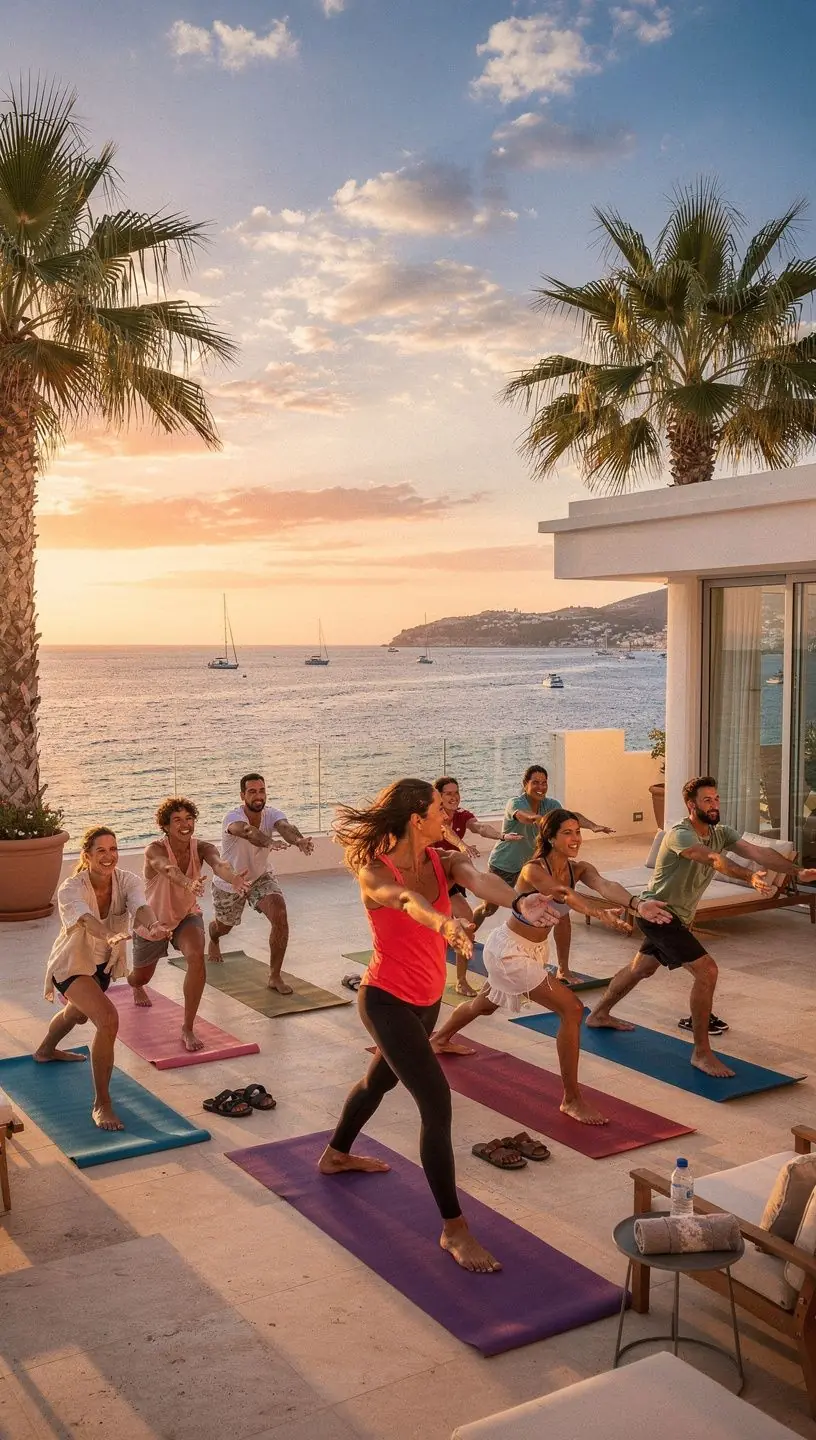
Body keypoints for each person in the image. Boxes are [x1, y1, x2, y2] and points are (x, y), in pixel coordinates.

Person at [318, 778, 559, 1273]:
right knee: (436, 1103)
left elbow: (480, 880)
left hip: (426, 1003)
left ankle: (336, 1154)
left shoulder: (443, 859)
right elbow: (408, 901)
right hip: (384, 1000)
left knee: (378, 1082)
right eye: (437, 809)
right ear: (416, 819)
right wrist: (444, 924)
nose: (446, 816)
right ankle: (454, 1228)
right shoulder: (374, 872)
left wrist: (518, 902)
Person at [432, 808, 670, 1123]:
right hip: (509, 951)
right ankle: (571, 1100)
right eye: (567, 833)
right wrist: (598, 913)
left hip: (533, 950)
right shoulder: (533, 870)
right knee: (572, 1010)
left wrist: (637, 904)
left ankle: (439, 1039)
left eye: (577, 832)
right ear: (550, 838)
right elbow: (563, 893)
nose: (576, 838)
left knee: (485, 1004)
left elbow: (605, 884)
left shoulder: (579, 868)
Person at [587, 776, 816, 1077]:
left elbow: (759, 853)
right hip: (659, 913)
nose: (714, 805)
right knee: (707, 971)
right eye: (707, 800)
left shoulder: (721, 833)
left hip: (678, 917)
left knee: (640, 968)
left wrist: (797, 871)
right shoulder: (680, 834)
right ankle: (701, 1053)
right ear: (691, 805)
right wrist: (749, 877)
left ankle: (599, 1014)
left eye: (716, 799)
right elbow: (711, 859)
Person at [36, 825, 170, 1131]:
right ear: (87, 856)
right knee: (107, 1020)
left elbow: (141, 907)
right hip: (71, 965)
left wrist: (154, 925)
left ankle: (45, 1051)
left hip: (103, 967)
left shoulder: (127, 880)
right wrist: (109, 935)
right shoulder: (71, 888)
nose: (109, 856)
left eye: (113, 849)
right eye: (101, 851)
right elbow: (85, 920)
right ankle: (102, 1103)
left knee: (76, 1014)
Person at [472, 764, 614, 987]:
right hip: (506, 865)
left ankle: (564, 970)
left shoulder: (552, 805)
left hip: (537, 869)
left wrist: (592, 826)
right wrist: (543, 821)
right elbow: (525, 817)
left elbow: (571, 817)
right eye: (535, 782)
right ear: (525, 784)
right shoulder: (515, 803)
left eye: (544, 782)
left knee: (562, 914)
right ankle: (466, 935)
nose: (540, 786)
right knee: (488, 909)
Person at [127, 797, 251, 1052]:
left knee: (196, 957)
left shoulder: (202, 847)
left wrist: (234, 878)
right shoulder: (154, 850)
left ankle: (187, 1027)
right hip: (152, 921)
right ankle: (136, 986)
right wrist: (188, 883)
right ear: (165, 826)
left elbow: (219, 864)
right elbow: (167, 869)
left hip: (186, 915)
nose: (185, 825)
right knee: (140, 976)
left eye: (189, 819)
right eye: (177, 820)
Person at [208, 773, 314, 994]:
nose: (258, 796)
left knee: (280, 914)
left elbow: (285, 827)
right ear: (242, 795)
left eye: (262, 791)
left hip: (259, 877)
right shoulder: (232, 818)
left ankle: (274, 976)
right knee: (223, 927)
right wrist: (269, 842)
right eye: (252, 792)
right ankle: (214, 937)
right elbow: (248, 832)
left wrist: (298, 840)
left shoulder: (272, 813)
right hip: (231, 880)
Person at [433, 775, 522, 997]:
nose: (454, 797)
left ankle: (461, 981)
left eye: (456, 792)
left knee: (466, 923)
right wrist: (462, 845)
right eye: (448, 793)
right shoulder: (433, 815)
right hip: (426, 877)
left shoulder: (462, 815)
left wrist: (501, 835)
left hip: (450, 879)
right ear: (439, 797)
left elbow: (479, 827)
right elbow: (446, 831)